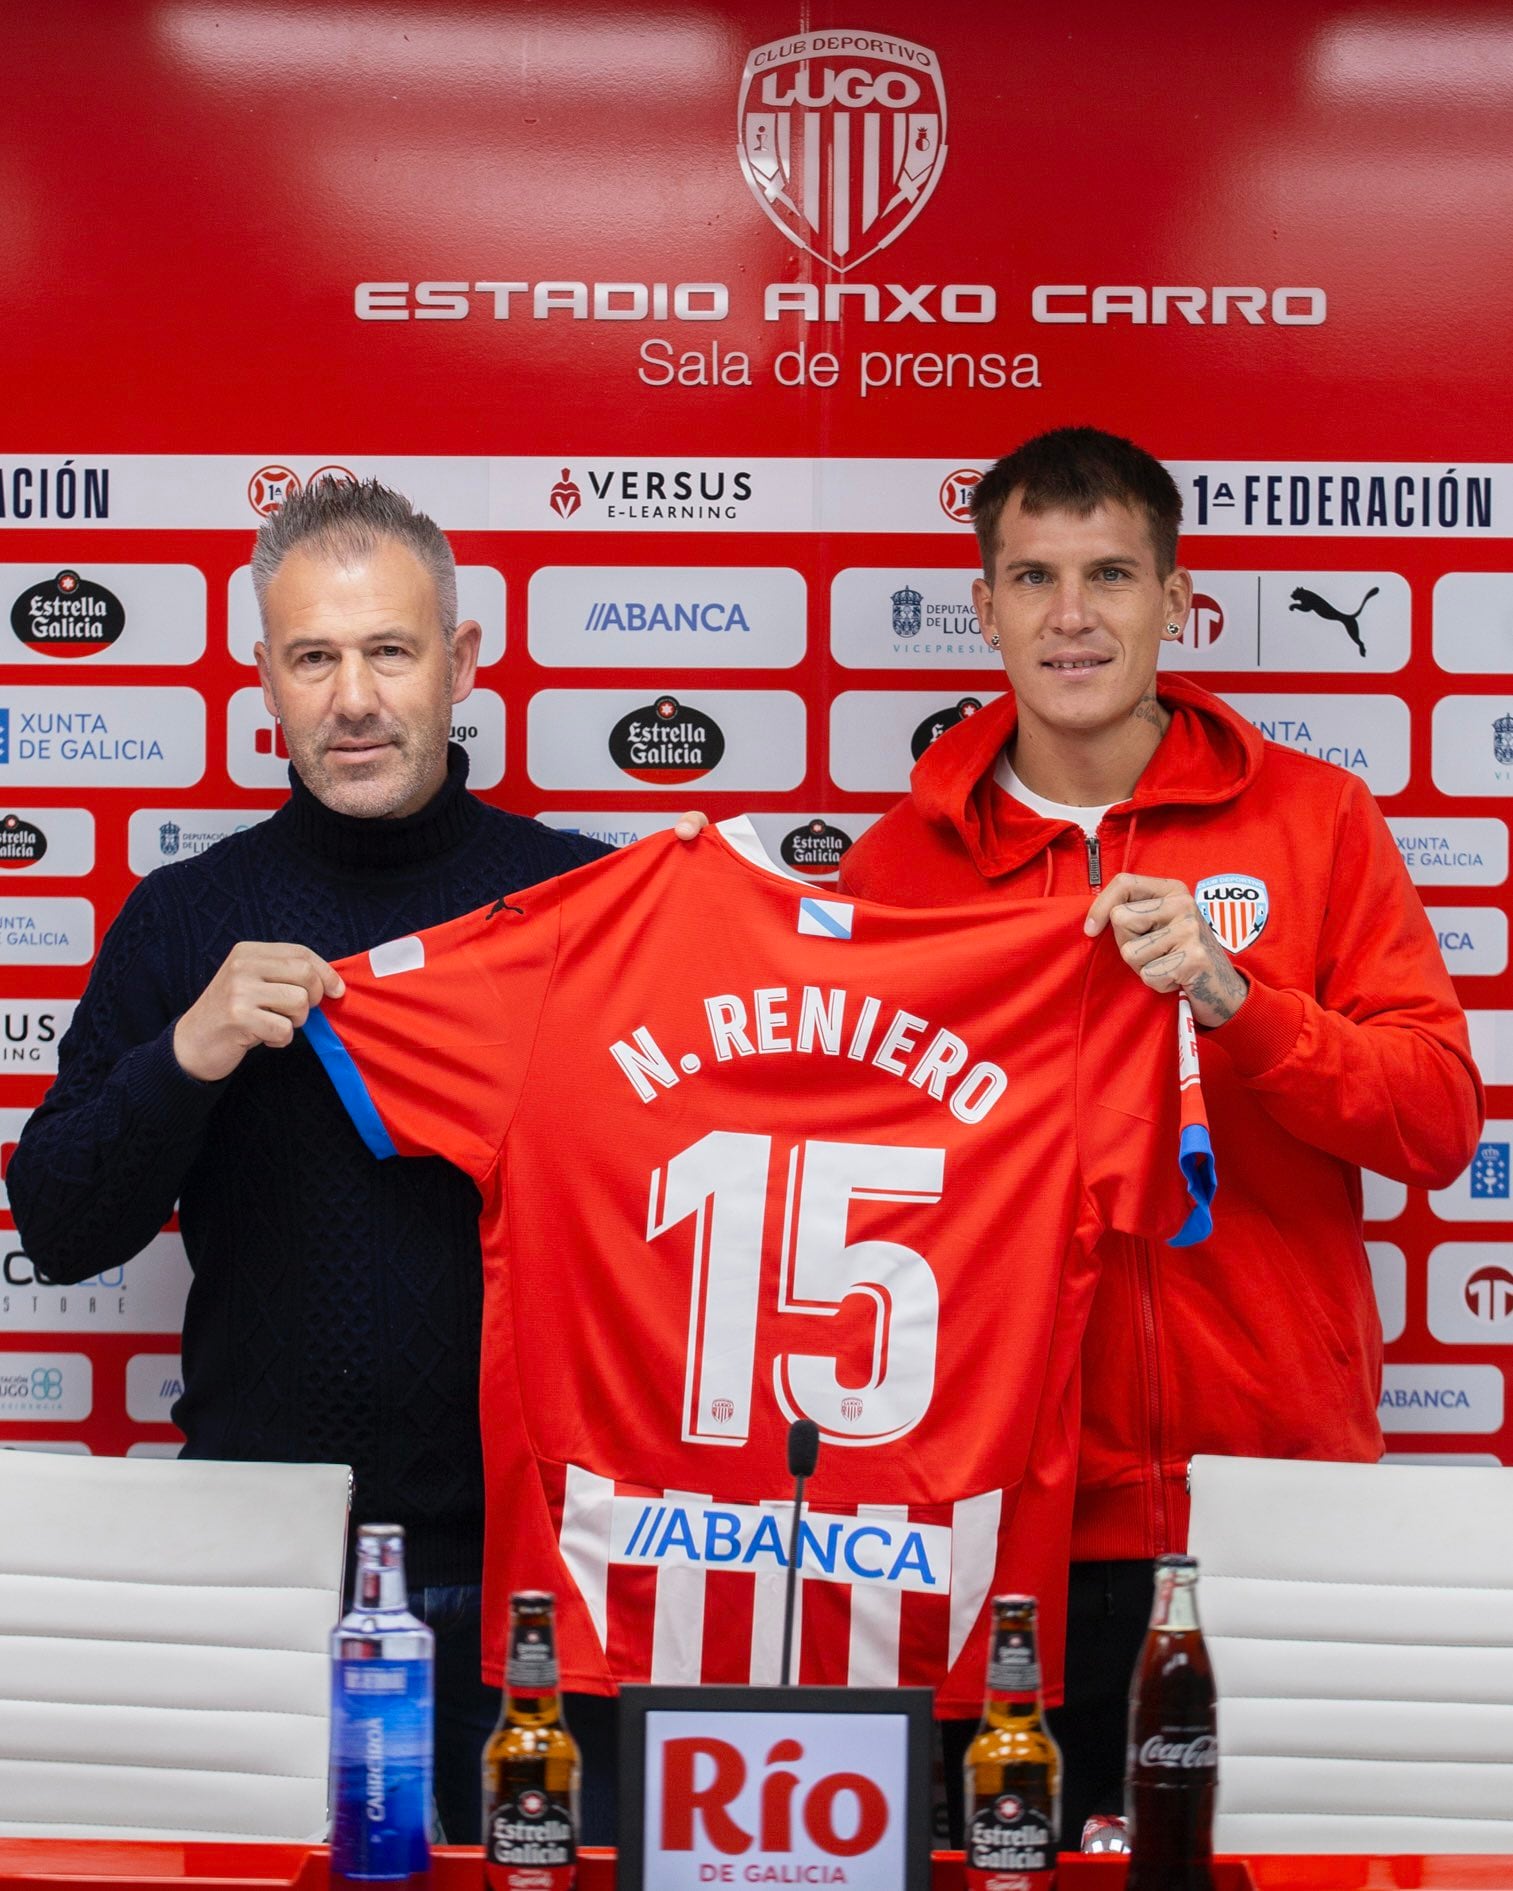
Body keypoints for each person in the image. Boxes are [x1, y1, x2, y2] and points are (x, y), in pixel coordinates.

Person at [7, 477, 701, 1843]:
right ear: (261, 674)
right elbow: (60, 1223)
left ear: (463, 660)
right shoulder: (187, 917)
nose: (354, 698)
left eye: (389, 650)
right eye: (313, 657)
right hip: (265, 1576)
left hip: (538, 1579)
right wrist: (188, 1053)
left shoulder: (586, 905)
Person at [837, 425, 1483, 1841]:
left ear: (1175, 597)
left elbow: (1436, 1121)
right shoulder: (900, 866)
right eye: (1034, 577)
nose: (1071, 617)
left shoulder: (1315, 822)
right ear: (983, 606)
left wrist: (1236, 1000)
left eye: (1110, 574)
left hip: (1267, 1503)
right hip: (1002, 1521)